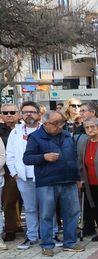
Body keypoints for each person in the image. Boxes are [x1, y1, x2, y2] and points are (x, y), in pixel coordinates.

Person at [22, 110, 83, 256]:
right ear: (45, 123)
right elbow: (27, 159)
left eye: (61, 123)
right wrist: (44, 157)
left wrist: (78, 177)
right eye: (55, 123)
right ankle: (47, 245)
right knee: (47, 214)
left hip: (68, 180)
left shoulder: (68, 135)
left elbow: (74, 158)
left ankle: (70, 242)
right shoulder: (35, 137)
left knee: (72, 212)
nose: (59, 126)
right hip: (47, 182)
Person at [7, 101, 43, 250]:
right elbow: (10, 155)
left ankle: (51, 234)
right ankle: (32, 236)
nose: (29, 114)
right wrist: (14, 173)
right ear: (21, 115)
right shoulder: (15, 132)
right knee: (30, 208)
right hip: (23, 177)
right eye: (25, 112)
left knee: (47, 207)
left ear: (39, 115)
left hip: (42, 176)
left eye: (32, 112)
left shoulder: (44, 130)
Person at [0, 103, 19, 242]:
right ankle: (10, 229)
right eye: (5, 113)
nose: (9, 115)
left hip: (27, 169)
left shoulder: (24, 128)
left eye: (12, 112)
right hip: (7, 172)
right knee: (9, 201)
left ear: (17, 114)